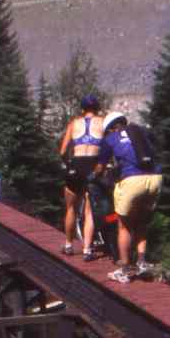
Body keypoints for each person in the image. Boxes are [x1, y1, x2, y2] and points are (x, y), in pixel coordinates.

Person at [94, 111, 162, 284]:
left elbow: (100, 168)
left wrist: (93, 177)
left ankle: (124, 270)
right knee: (142, 222)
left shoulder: (110, 139)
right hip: (155, 179)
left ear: (110, 129)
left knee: (123, 226)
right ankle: (141, 262)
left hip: (132, 181)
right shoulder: (141, 131)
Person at [59, 94, 104, 260]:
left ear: (82, 109)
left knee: (70, 208)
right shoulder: (102, 122)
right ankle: (86, 250)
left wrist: (70, 165)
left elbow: (63, 151)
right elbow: (107, 149)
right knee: (89, 211)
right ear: (97, 108)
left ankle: (69, 245)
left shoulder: (74, 123)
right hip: (93, 166)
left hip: (76, 166)